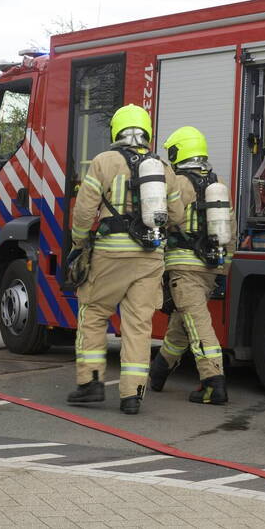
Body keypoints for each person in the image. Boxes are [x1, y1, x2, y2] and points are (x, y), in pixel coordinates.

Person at [67, 104, 183, 415]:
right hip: (150, 257)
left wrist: (80, 241)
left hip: (111, 255)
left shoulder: (104, 161)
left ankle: (90, 384)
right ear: (146, 131)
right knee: (138, 325)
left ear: (117, 130)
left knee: (93, 313)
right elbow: (178, 215)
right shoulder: (162, 168)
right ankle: (132, 395)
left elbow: (83, 211)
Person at [149, 126, 234, 405]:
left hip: (184, 270)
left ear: (179, 151)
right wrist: (223, 269)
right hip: (210, 268)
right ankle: (159, 371)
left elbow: (162, 220)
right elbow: (229, 231)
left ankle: (213, 384)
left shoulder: (177, 183)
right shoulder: (217, 184)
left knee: (197, 325)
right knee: (181, 325)